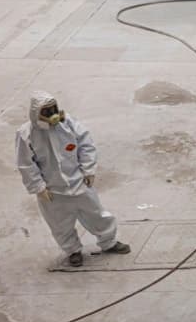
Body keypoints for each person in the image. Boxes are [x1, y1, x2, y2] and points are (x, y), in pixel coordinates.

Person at [14, 91, 131, 267]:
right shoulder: (26, 134)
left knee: (97, 214)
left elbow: (86, 145)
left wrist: (88, 170)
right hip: (52, 190)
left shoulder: (68, 123)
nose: (53, 114)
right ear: (36, 113)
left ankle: (109, 242)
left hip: (79, 182)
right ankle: (72, 250)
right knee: (59, 223)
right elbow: (26, 163)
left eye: (54, 109)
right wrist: (38, 187)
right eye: (47, 111)